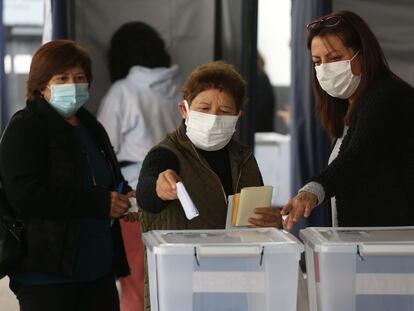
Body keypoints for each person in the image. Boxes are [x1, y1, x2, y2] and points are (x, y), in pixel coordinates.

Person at [0, 40, 138, 311]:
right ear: (42, 85)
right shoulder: (26, 127)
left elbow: (106, 178)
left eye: (79, 78)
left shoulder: (90, 125)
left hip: (97, 268)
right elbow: (25, 196)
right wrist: (98, 202)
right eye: (61, 78)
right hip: (46, 273)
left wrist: (123, 197)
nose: (72, 85)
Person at [137, 60, 282, 310]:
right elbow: (146, 192)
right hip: (182, 288)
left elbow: (259, 227)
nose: (214, 118)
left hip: (237, 287)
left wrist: (274, 225)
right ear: (184, 110)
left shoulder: (244, 159)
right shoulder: (166, 154)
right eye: (204, 108)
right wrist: (159, 188)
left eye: (225, 111)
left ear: (239, 116)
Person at [282, 10, 414, 230]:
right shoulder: (351, 106)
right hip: (369, 246)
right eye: (317, 61)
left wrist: (314, 190)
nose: (325, 68)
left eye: (334, 58)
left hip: (392, 247)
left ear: (362, 56)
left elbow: (360, 156)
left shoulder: (388, 96)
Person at [97, 22, 181, 311]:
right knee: (172, 282)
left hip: (134, 199)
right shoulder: (180, 87)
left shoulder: (122, 92)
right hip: (178, 195)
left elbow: (103, 149)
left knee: (135, 284)